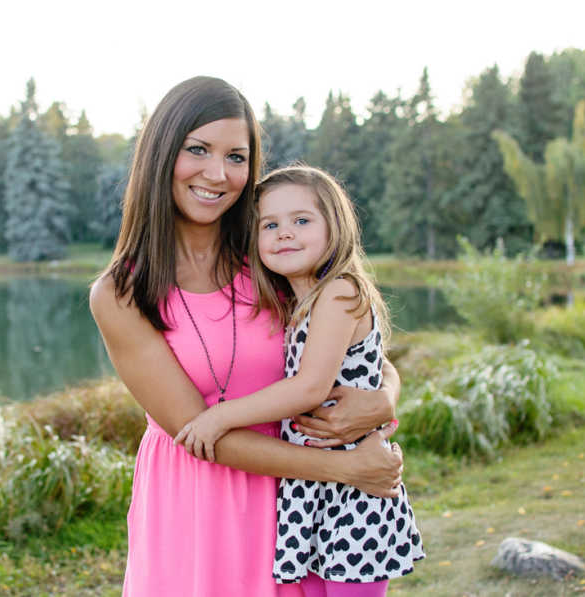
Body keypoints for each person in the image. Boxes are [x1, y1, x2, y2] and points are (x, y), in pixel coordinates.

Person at [89, 76, 404, 597]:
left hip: (295, 504)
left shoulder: (272, 258)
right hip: (195, 503)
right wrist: (346, 469)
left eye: (236, 157)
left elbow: (364, 354)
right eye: (198, 150)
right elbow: (198, 433)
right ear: (161, 153)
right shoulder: (122, 292)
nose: (218, 174)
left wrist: (384, 399)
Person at [174, 165, 424, 596]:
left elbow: (310, 388)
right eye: (270, 225)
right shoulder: (297, 301)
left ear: (336, 226)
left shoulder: (340, 293)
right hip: (311, 492)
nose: (284, 233)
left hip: (354, 497)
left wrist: (220, 417)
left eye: (301, 221)